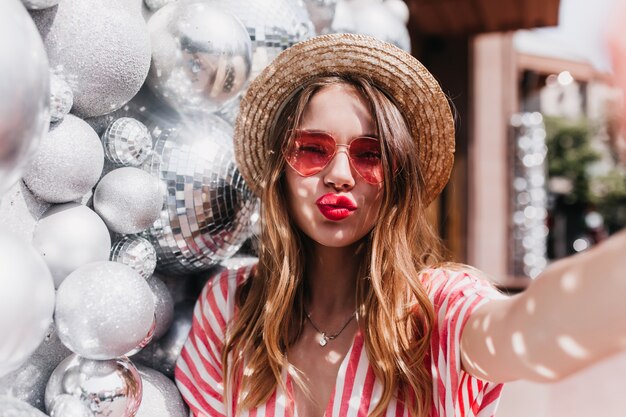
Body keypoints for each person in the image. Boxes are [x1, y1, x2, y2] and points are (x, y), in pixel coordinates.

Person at [174, 33, 626, 417]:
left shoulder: (435, 312)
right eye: (313, 149)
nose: (340, 175)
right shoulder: (232, 307)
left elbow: (529, 329)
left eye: (370, 155)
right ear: (282, 169)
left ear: (397, 179)